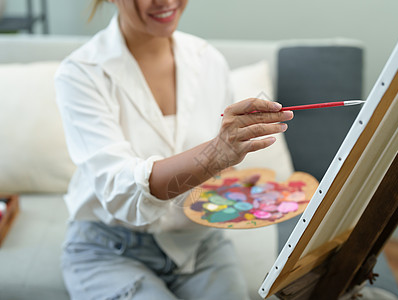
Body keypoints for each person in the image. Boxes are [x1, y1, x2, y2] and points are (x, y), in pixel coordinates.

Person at [55, 0, 293, 299]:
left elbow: (220, 174)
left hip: (199, 242)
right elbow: (120, 191)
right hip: (108, 250)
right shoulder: (82, 72)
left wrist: (239, 182)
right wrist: (213, 155)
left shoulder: (208, 60)